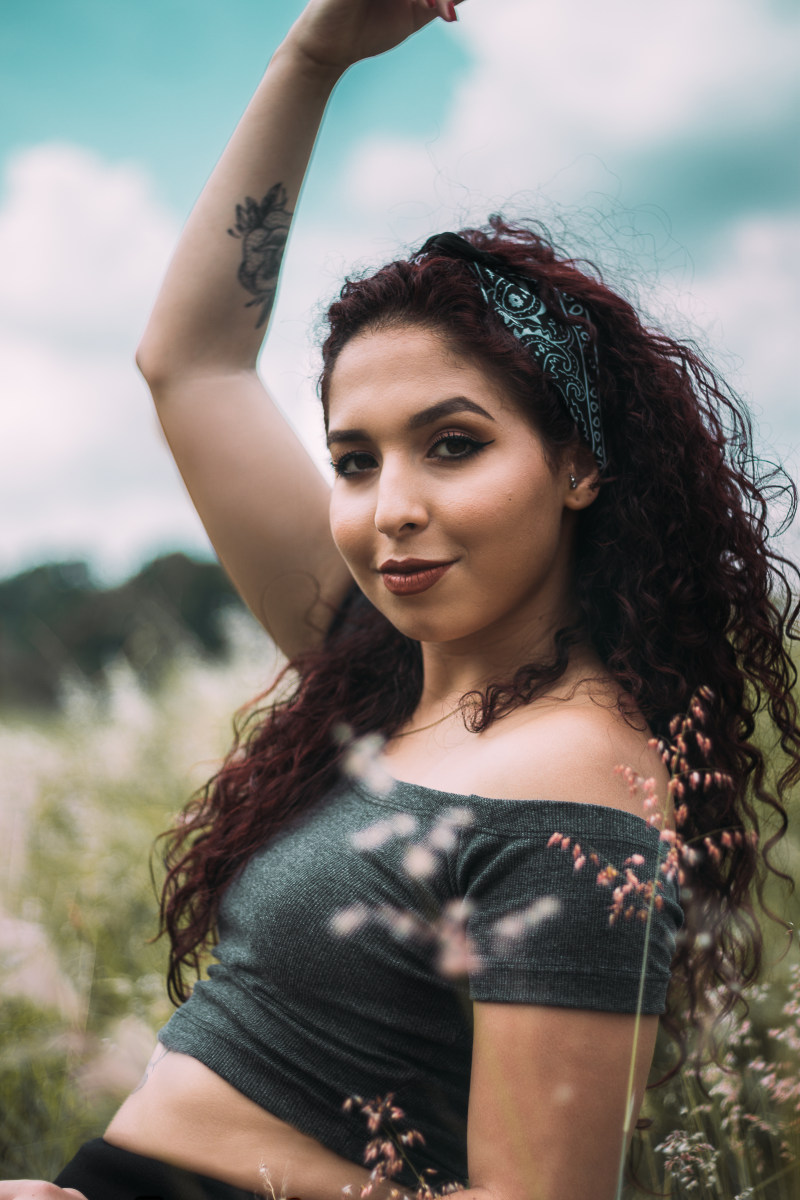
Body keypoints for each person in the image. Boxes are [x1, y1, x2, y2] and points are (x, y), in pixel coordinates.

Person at [4, 0, 798, 1198]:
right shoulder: (373, 670)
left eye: (453, 444)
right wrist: (310, 60)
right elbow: (193, 361)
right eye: (355, 460)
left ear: (578, 465)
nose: (391, 509)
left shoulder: (578, 781)